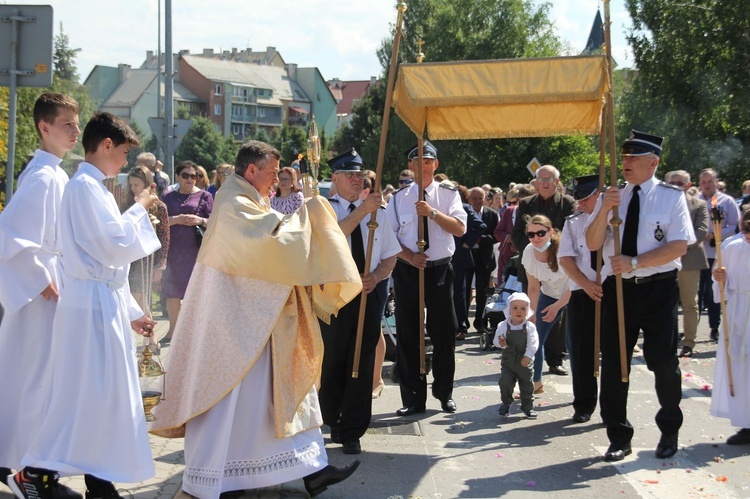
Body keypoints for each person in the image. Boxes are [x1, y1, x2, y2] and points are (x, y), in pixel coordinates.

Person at [150, 140, 362, 498]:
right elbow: (273, 244)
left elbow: (271, 240)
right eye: (270, 174)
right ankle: (210, 482)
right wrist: (311, 214)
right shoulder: (234, 203)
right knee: (231, 407)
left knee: (280, 396)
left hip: (256, 324)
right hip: (234, 330)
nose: (274, 181)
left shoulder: (249, 200)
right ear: (251, 170)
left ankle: (313, 469)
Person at [10, 112, 160, 499]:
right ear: (106, 145)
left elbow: (108, 263)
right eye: (125, 152)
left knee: (101, 396)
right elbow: (111, 246)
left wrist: (132, 312)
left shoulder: (93, 187)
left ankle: (97, 479)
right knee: (84, 395)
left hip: (99, 301)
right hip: (88, 307)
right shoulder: (84, 187)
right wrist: (140, 206)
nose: (126, 162)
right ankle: (38, 472)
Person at [585, 129, 694, 462]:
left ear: (653, 162)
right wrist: (604, 209)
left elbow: (678, 246)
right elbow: (591, 243)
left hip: (658, 288)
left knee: (663, 363)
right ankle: (618, 435)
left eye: (634, 158)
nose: (626, 163)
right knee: (616, 364)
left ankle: (669, 430)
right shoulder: (612, 195)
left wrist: (634, 262)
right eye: (625, 157)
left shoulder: (671, 197)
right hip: (619, 290)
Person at [0, 93, 81, 497]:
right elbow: (8, 234)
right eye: (66, 124)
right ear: (44, 127)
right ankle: (31, 474)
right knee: (37, 380)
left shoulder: (54, 173)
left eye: (76, 123)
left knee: (31, 379)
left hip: (49, 284)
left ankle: (24, 465)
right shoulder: (44, 176)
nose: (75, 131)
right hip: (41, 294)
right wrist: (39, 278)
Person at [319, 148, 400, 455]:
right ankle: (334, 418)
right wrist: (363, 210)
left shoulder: (379, 209)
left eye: (360, 174)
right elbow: (333, 238)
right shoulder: (325, 207)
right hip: (336, 292)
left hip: (369, 292)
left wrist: (377, 277)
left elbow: (390, 254)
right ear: (335, 179)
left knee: (362, 359)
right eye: (350, 175)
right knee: (335, 357)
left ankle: (353, 428)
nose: (357, 179)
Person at [386, 140, 466, 416]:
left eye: (429, 162)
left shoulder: (448, 194)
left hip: (440, 269)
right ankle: (412, 398)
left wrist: (431, 212)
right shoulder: (398, 198)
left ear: (436, 165)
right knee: (409, 334)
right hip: (410, 270)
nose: (424, 167)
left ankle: (444, 393)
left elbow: (459, 228)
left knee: (444, 332)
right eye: (418, 162)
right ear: (410, 166)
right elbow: (391, 238)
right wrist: (410, 257)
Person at [511, 165, 575, 376]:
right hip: (533, 266)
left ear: (557, 182)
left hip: (562, 265)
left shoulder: (567, 204)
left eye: (550, 178)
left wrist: (551, 250)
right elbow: (518, 234)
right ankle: (534, 373)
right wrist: (533, 249)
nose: (546, 182)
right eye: (541, 178)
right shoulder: (526, 203)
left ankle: (556, 359)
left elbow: (571, 233)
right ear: (536, 183)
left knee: (560, 319)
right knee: (536, 316)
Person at [558, 174, 603, 424]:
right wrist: (585, 285)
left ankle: (612, 406)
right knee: (582, 351)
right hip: (582, 292)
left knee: (615, 352)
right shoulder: (573, 222)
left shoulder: (618, 218)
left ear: (600, 194)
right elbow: (566, 258)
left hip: (612, 290)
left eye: (586, 199)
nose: (580, 204)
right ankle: (584, 404)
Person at [159, 160, 213, 344]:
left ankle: (193, 333)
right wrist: (178, 219)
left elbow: (213, 221)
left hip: (195, 250)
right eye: (186, 175)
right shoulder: (167, 196)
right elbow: (159, 220)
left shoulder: (205, 196)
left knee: (194, 292)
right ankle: (173, 332)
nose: (190, 179)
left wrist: (199, 220)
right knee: (172, 292)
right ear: (177, 177)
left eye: (194, 176)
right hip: (173, 249)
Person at [711, 208, 750, 445]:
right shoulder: (730, 246)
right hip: (738, 309)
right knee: (741, 366)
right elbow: (719, 287)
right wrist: (720, 279)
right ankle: (747, 422)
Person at [522, 214, 570, 394]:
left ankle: (585, 390)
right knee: (534, 338)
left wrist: (557, 306)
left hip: (574, 294)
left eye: (541, 233)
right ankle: (535, 383)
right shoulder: (528, 251)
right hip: (548, 295)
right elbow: (533, 287)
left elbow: (576, 284)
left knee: (574, 343)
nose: (536, 238)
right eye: (531, 234)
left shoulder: (562, 249)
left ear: (551, 232)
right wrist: (531, 314)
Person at [665, 171, 708, 357]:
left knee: (690, 303)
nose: (676, 185)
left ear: (688, 185)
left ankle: (688, 342)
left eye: (680, 183)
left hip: (689, 259)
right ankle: (668, 339)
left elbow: (701, 231)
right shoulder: (661, 204)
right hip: (664, 259)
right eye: (672, 182)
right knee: (666, 302)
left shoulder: (699, 204)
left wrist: (679, 247)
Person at [697, 168, 740, 342]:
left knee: (713, 290)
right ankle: (690, 329)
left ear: (716, 182)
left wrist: (716, 234)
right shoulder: (695, 201)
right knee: (697, 292)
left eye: (709, 181)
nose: (706, 185)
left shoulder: (726, 201)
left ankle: (714, 326)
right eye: (703, 182)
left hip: (718, 253)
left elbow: (735, 226)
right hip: (698, 252)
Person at [122, 165, 170, 314]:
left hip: (145, 260)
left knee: (139, 301)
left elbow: (164, 237)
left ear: (147, 184)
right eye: (131, 185)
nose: (133, 188)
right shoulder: (127, 205)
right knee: (132, 301)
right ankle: (145, 336)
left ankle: (149, 336)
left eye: (136, 185)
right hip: (128, 258)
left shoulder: (159, 207)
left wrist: (160, 265)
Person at [494, 292, 539, 419]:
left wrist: (528, 356)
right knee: (505, 382)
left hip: (524, 361)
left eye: (523, 308)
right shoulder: (503, 326)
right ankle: (506, 402)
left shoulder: (529, 327)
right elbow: (496, 341)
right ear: (509, 309)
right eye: (515, 308)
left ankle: (528, 407)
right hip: (508, 362)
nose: (519, 311)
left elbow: (533, 343)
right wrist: (501, 343)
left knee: (527, 385)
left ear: (527, 310)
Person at [452, 186, 487, 340]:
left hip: (460, 257)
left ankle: (461, 326)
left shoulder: (464, 208)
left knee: (459, 293)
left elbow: (481, 226)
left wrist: (467, 244)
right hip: (442, 256)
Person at [467, 187, 499, 331]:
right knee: (464, 290)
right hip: (466, 255)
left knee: (482, 292)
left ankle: (480, 322)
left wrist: (480, 240)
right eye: (475, 198)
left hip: (484, 257)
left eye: (481, 198)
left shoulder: (492, 214)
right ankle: (462, 324)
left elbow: (496, 236)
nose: (478, 201)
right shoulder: (463, 212)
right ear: (469, 199)